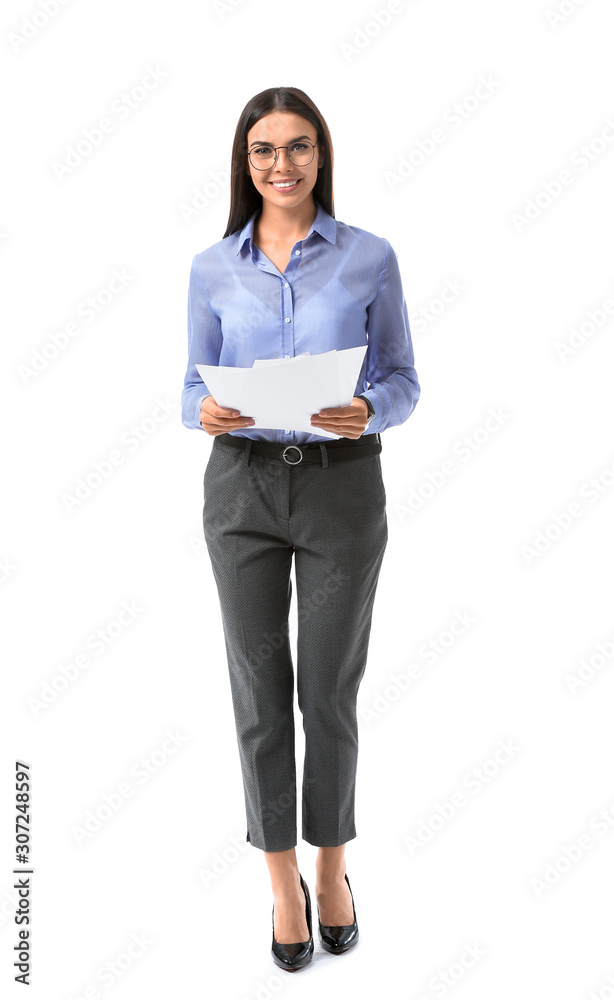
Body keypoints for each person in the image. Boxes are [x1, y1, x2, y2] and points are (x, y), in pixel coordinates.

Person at [181, 86, 421, 971]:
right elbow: (187, 387)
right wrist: (203, 410)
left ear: (322, 154)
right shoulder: (213, 267)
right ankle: (281, 878)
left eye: (298, 146)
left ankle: (333, 863)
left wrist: (370, 408)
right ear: (244, 163)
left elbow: (403, 375)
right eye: (263, 150)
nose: (281, 165)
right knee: (257, 692)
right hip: (241, 490)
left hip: (340, 488)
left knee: (328, 691)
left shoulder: (369, 257)